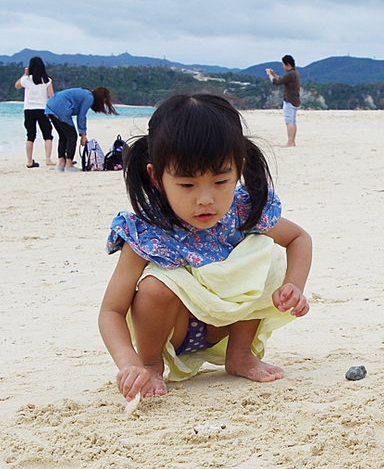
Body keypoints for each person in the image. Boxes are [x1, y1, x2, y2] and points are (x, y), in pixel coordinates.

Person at [99, 93, 312, 400]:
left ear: (237, 169)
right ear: (156, 177)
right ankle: (151, 364)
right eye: (187, 185)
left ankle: (239, 354)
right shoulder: (147, 230)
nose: (205, 200)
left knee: (263, 253)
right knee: (157, 287)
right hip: (174, 330)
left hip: (225, 325)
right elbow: (111, 311)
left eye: (220, 181)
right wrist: (129, 363)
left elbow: (299, 239)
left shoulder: (243, 212)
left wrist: (294, 285)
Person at [43, 86, 116, 171]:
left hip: (50, 107)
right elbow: (81, 116)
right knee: (72, 136)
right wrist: (83, 134)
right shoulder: (89, 97)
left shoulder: (86, 93)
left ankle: (61, 163)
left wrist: (82, 133)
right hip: (61, 108)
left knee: (63, 136)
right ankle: (69, 164)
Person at [14, 56, 54, 168]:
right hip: (43, 109)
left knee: (30, 136)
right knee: (47, 135)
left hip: (29, 110)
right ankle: (48, 159)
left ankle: (29, 161)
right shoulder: (47, 80)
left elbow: (17, 85)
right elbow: (51, 96)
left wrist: (25, 74)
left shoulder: (26, 80)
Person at [265, 55, 301, 147]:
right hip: (295, 100)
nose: (283, 66)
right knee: (293, 121)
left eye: (283, 64)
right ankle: (292, 141)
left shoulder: (290, 74)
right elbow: (282, 79)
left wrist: (269, 75)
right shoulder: (295, 73)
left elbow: (276, 82)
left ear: (287, 64)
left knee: (289, 121)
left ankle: (290, 142)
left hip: (290, 100)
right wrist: (274, 75)